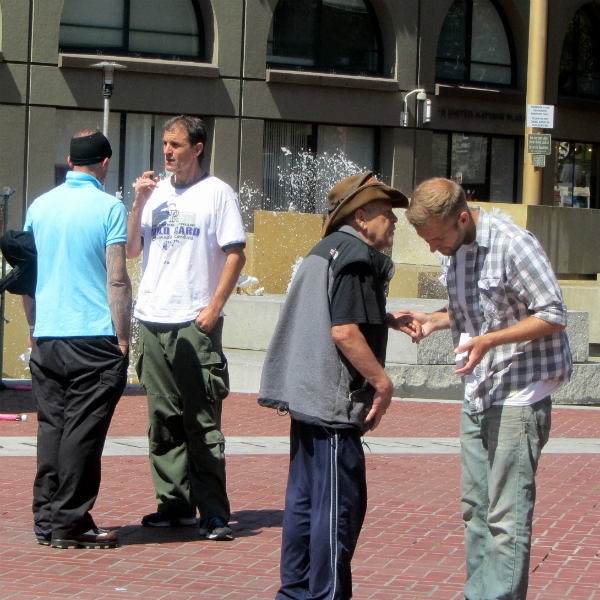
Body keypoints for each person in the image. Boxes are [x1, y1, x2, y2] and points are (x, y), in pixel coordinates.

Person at [398, 178, 572, 600]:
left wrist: (490, 341)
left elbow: (554, 313)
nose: (434, 248)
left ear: (462, 217)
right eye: (427, 240)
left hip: (521, 389)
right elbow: (472, 309)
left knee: (506, 516)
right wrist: (433, 319)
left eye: (438, 238)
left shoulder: (514, 244)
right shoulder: (454, 248)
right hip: (479, 388)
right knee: (475, 510)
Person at [259, 172, 411, 599]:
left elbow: (333, 309)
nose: (394, 222)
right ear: (361, 216)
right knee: (337, 513)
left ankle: (295, 592)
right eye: (386, 213)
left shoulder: (324, 250)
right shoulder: (356, 256)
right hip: (330, 407)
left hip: (306, 400)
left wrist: (386, 318)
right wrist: (382, 384)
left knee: (303, 507)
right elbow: (343, 330)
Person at [126, 115, 246, 541]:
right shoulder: (154, 195)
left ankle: (213, 512)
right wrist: (138, 202)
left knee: (201, 420)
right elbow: (132, 250)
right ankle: (174, 505)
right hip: (153, 319)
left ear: (197, 148)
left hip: (194, 322)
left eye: (175, 144)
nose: (167, 152)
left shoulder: (217, 193)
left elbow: (235, 254)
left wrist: (214, 307)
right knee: (162, 419)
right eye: (164, 144)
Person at [23, 129, 131, 549]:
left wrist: (34, 326)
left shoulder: (40, 206)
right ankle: (71, 522)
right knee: (83, 432)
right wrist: (123, 338)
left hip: (49, 334)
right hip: (93, 335)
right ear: (104, 164)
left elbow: (27, 277)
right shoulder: (110, 207)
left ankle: (46, 518)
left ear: (70, 163)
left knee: (53, 427)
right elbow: (117, 277)